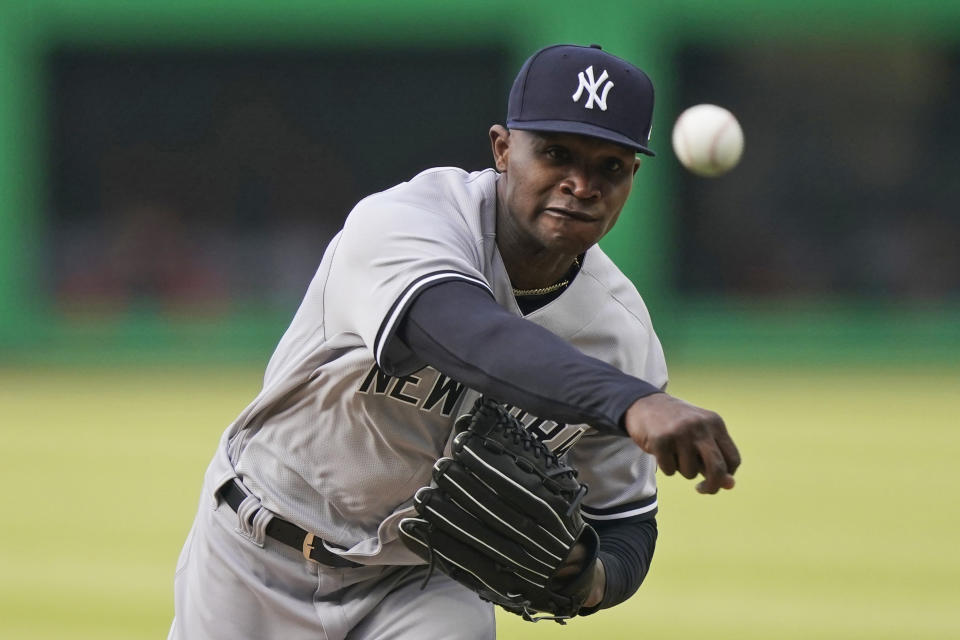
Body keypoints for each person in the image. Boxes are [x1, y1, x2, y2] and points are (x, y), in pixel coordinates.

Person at [169, 43, 740, 640]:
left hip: (420, 580)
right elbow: (465, 333)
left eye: (610, 167)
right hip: (254, 549)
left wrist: (589, 578)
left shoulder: (621, 335)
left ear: (632, 177)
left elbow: (628, 524)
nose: (581, 184)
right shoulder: (406, 221)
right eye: (556, 154)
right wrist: (630, 403)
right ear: (502, 149)